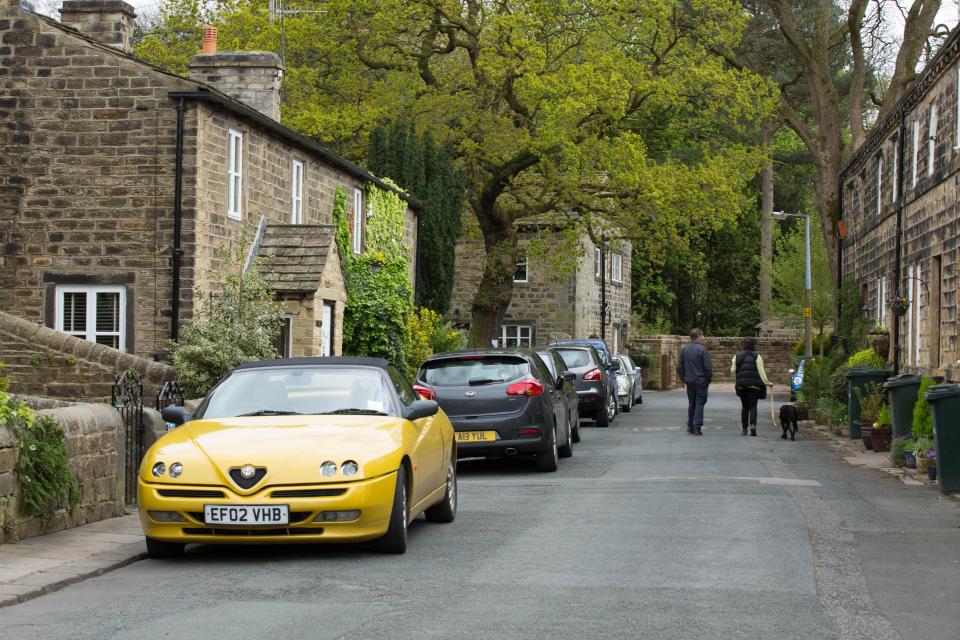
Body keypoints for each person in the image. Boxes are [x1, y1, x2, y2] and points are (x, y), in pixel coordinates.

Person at [731, 337, 772, 436]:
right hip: (754, 386)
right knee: (753, 406)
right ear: (754, 345)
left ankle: (744, 429)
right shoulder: (757, 356)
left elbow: (732, 370)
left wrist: (740, 376)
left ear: (743, 345)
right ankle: (753, 426)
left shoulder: (737, 356)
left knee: (745, 407)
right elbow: (761, 372)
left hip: (741, 386)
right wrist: (767, 382)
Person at [677, 328, 712, 435]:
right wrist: (708, 379)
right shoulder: (702, 349)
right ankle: (697, 426)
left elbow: (680, 366)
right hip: (701, 381)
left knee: (692, 403)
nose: (703, 338)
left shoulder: (684, 349)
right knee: (699, 403)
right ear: (698, 337)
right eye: (702, 336)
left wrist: (683, 378)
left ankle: (691, 425)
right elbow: (708, 367)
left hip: (690, 381)